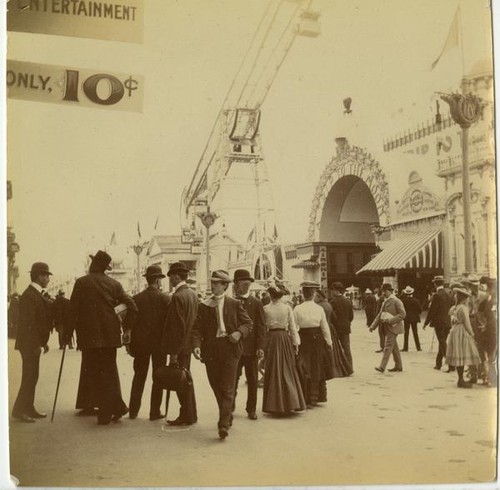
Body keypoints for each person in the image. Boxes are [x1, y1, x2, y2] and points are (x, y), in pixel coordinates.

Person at [67, 250, 137, 425]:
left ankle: (104, 413)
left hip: (88, 337)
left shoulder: (81, 283)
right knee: (109, 372)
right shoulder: (114, 284)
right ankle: (116, 407)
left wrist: (68, 334)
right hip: (110, 336)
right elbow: (132, 305)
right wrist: (127, 327)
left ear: (93, 265)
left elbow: (72, 310)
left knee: (95, 372)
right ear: (105, 268)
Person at [191, 270, 253, 440]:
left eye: (216, 283)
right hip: (210, 350)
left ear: (225, 286)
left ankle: (223, 424)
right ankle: (227, 414)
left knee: (227, 387)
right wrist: (196, 346)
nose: (213, 286)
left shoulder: (234, 304)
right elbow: (197, 328)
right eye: (212, 283)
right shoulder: (204, 305)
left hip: (230, 349)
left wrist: (239, 333)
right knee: (216, 385)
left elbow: (248, 323)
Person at [126, 265, 170, 421]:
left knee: (139, 377)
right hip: (159, 346)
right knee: (158, 378)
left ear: (147, 279)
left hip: (141, 345)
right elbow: (169, 325)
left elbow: (128, 323)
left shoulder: (136, 299)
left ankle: (133, 411)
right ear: (158, 280)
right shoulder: (166, 299)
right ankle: (154, 412)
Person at [11, 262, 53, 423]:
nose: (48, 279)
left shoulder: (35, 294)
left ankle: (28, 407)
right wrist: (36, 344)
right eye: (46, 275)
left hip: (32, 344)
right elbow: (29, 324)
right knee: (29, 377)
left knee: (32, 377)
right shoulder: (30, 295)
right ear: (39, 276)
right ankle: (19, 410)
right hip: (29, 345)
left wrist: (43, 342)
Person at [162, 262, 199, 426]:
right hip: (188, 345)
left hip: (179, 346)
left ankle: (186, 415)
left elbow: (176, 327)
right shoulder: (192, 294)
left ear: (177, 276)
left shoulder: (177, 297)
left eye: (171, 276)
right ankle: (191, 413)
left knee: (180, 381)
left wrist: (173, 353)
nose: (170, 279)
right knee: (187, 379)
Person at [262, 286, 305, 415]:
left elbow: (263, 328)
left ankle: (274, 404)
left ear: (271, 295)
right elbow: (292, 327)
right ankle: (291, 402)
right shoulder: (287, 308)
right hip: (284, 338)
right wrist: (295, 343)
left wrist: (262, 346)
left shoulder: (265, 309)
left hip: (271, 338)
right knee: (287, 368)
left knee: (272, 369)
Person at [232, 269, 266, 420]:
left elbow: (261, 326)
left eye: (248, 284)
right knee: (232, 379)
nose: (245, 287)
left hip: (252, 350)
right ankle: (230, 405)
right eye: (242, 284)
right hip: (234, 349)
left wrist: (260, 347)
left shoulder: (256, 303)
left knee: (252, 380)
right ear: (235, 285)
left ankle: (251, 409)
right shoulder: (230, 302)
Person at [293, 281, 332, 408]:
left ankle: (304, 397)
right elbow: (325, 327)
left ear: (303, 294)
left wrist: (296, 343)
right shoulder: (319, 308)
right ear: (314, 294)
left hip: (303, 339)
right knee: (316, 367)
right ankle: (314, 397)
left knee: (304, 367)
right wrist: (329, 342)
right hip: (317, 339)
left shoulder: (297, 308)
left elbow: (294, 327)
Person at [445, 287, 481, 388]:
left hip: (455, 331)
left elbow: (451, 319)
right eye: (467, 298)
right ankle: (462, 380)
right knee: (468, 352)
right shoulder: (463, 308)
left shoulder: (454, 308)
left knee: (459, 354)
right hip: (462, 331)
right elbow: (467, 322)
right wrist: (472, 334)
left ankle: (461, 378)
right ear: (464, 299)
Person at [315, 289, 352, 379]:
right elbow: (335, 318)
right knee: (340, 350)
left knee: (325, 350)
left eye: (315, 297)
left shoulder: (319, 306)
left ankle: (328, 369)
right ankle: (348, 367)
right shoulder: (328, 305)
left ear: (319, 297)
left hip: (323, 329)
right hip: (333, 328)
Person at [370, 283, 406, 373]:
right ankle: (399, 366)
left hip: (394, 327)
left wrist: (391, 320)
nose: (383, 293)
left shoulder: (396, 301)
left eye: (384, 291)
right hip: (388, 327)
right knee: (394, 347)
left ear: (389, 291)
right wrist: (373, 326)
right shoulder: (385, 301)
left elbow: (403, 314)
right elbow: (379, 315)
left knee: (387, 347)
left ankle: (382, 366)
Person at [423, 275, 454, 371]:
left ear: (435, 284)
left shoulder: (436, 295)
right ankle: (438, 363)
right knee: (443, 342)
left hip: (439, 323)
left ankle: (451, 364)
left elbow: (432, 311)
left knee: (442, 342)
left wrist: (426, 323)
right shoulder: (448, 294)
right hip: (447, 322)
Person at [329, 282, 354, 371]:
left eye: (332, 290)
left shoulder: (332, 302)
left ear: (336, 291)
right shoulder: (348, 301)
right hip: (346, 328)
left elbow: (332, 316)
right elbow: (351, 316)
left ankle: (338, 368)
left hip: (336, 328)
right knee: (347, 348)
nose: (331, 292)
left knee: (335, 349)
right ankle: (350, 368)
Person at [400, 286, 422, 352]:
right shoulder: (416, 300)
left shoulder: (403, 301)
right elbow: (420, 310)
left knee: (406, 333)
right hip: (414, 318)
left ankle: (405, 348)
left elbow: (401, 309)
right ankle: (418, 347)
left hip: (406, 318)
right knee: (415, 333)